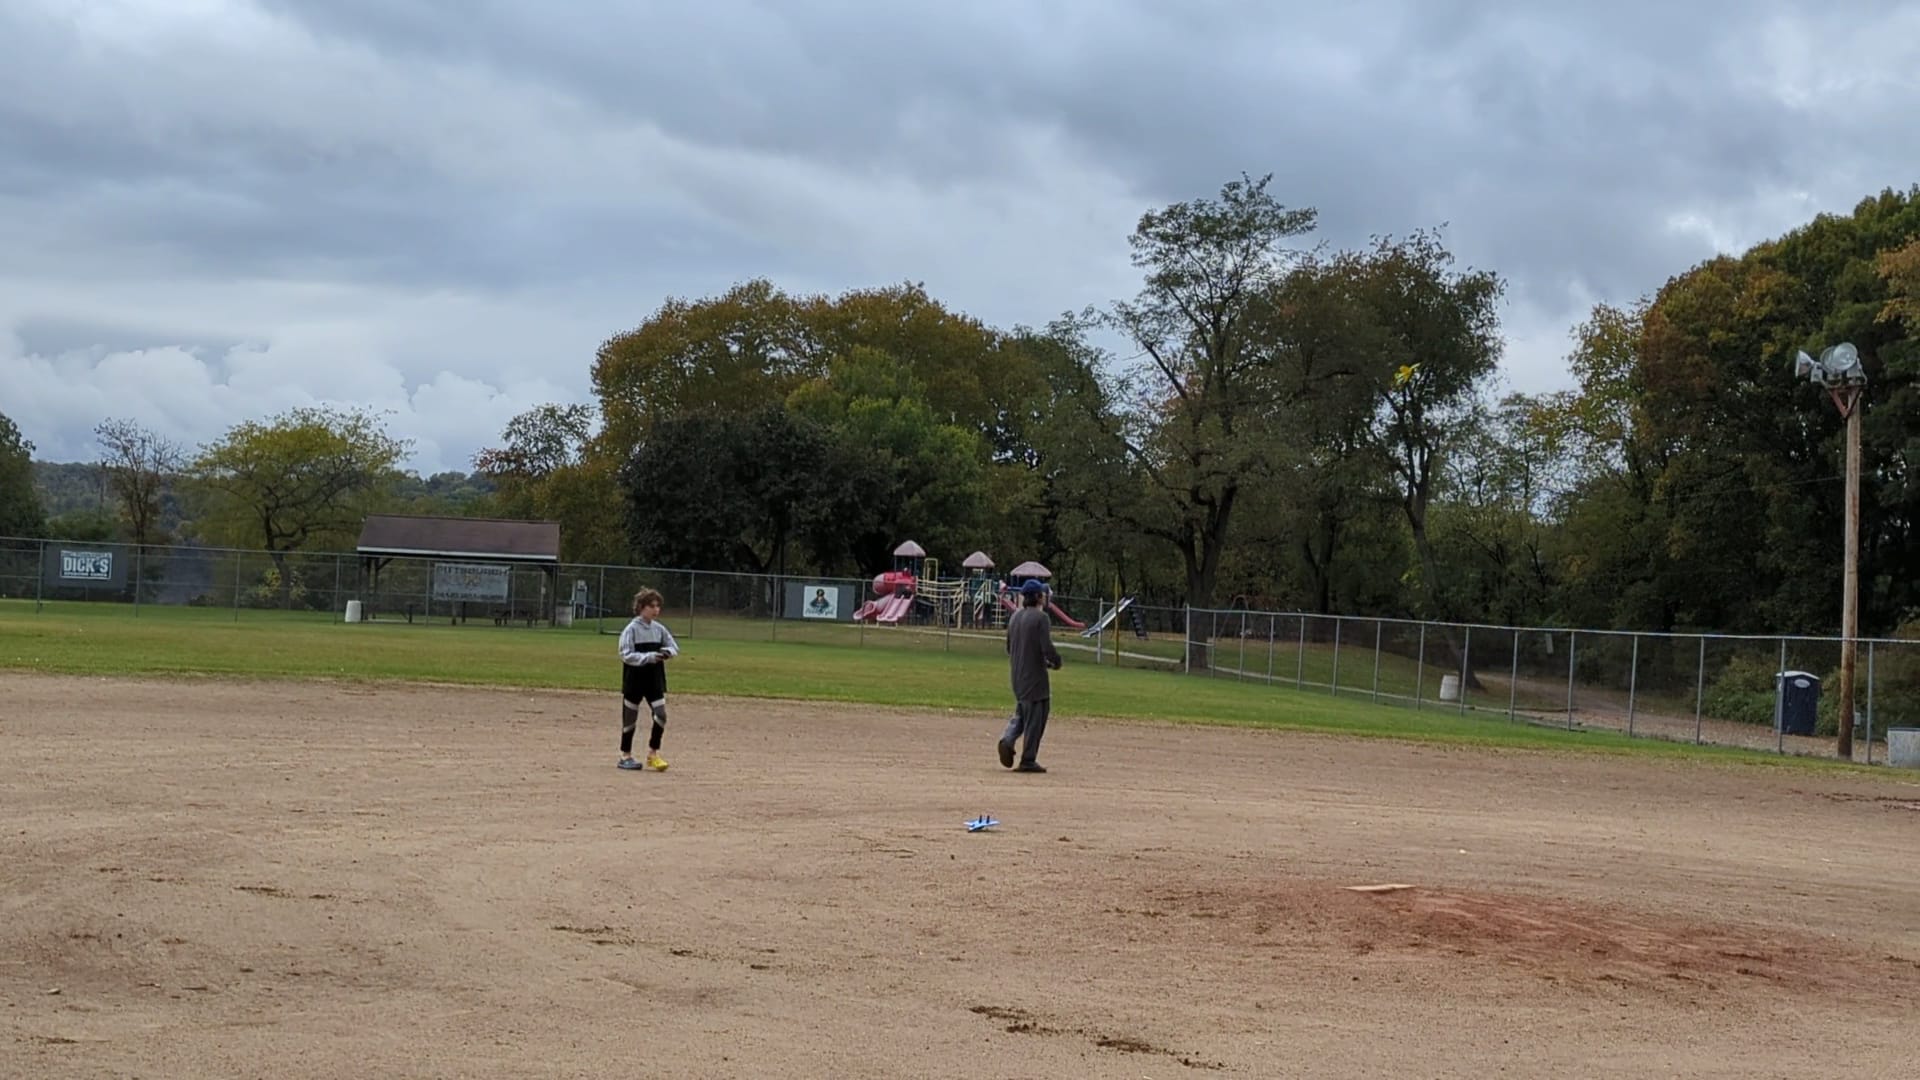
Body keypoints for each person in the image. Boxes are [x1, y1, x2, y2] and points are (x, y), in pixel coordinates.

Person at [997, 578, 1062, 773]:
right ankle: (1028, 759)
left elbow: (1009, 647)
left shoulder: (1015, 617)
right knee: (1037, 717)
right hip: (1035, 679)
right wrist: (1055, 661)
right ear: (1037, 597)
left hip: (1017, 675)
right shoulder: (1041, 618)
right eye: (1042, 593)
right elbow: (1046, 647)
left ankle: (1008, 739)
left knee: (1022, 712)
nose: (1044, 596)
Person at [616, 587, 680, 771]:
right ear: (641, 607)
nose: (656, 609)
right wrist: (649, 657)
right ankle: (625, 755)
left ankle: (653, 753)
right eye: (652, 606)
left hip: (654, 679)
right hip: (634, 679)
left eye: (658, 606)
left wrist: (667, 653)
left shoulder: (659, 629)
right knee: (630, 720)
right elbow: (626, 654)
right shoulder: (631, 629)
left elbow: (673, 646)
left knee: (661, 715)